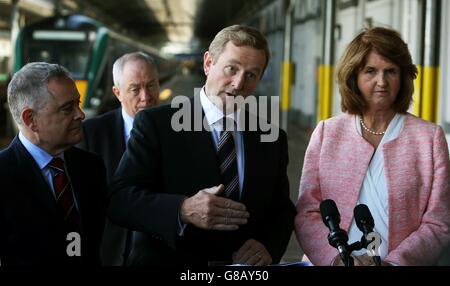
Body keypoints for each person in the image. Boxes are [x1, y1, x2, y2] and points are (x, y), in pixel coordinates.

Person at [107, 24, 296, 266]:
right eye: (231, 69)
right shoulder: (157, 125)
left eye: (251, 74)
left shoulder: (271, 138)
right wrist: (182, 209)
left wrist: (268, 246)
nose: (238, 83)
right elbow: (120, 200)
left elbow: (281, 209)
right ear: (208, 63)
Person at [295, 27, 450, 266]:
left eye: (391, 71)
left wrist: (395, 263)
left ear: (403, 77)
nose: (382, 82)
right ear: (353, 76)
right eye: (370, 71)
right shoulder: (327, 133)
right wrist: (337, 260)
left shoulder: (429, 138)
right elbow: (307, 213)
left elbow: (439, 222)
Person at [0, 62, 106, 266]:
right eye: (68, 108)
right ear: (31, 119)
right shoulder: (3, 175)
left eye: (78, 103)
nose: (80, 114)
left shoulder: (91, 167)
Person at [78, 52, 160, 265]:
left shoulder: (176, 130)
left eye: (151, 85)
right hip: (107, 255)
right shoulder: (90, 133)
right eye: (135, 89)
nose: (146, 97)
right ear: (117, 92)